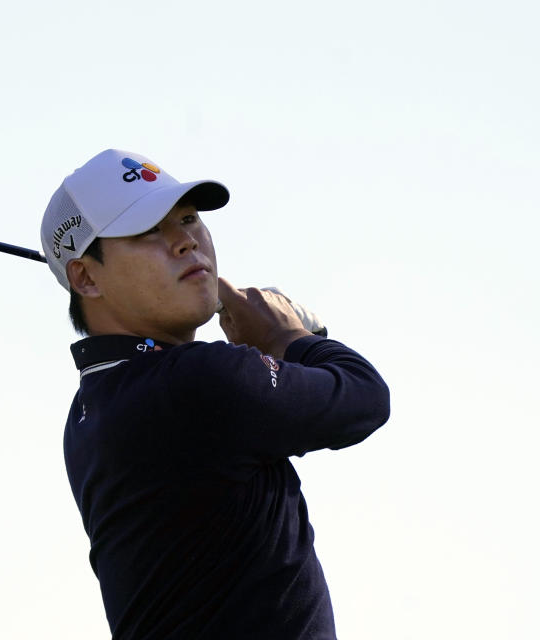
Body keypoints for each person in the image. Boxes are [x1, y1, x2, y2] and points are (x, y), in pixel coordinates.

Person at [40, 149, 390, 639]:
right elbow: (363, 397)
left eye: (188, 220)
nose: (185, 242)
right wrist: (288, 338)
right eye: (147, 232)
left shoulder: (89, 408)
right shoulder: (196, 380)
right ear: (86, 277)